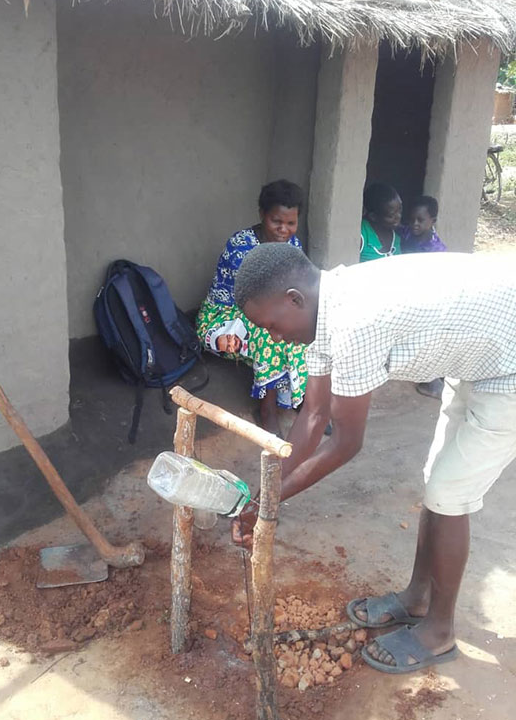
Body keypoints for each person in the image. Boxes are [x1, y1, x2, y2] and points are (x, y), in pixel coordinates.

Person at [231, 243, 516, 675]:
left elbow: (346, 442)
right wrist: (262, 497)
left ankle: (440, 633)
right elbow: (313, 415)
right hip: (482, 358)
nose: (273, 337)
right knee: (437, 483)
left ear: (294, 299)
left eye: (272, 325)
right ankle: (416, 598)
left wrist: (269, 506)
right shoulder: (326, 308)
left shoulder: (353, 323)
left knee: (449, 493)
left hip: (509, 367)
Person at [196, 180, 308, 436]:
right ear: (262, 215)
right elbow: (248, 303)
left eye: (291, 223)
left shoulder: (294, 247)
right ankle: (266, 409)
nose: (283, 229)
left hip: (270, 313)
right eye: (276, 221)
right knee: (272, 331)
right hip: (226, 318)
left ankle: (300, 396)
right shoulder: (240, 246)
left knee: (306, 326)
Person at [400, 195, 447, 400]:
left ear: (433, 221)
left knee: (427, 338)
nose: (415, 224)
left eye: (420, 220)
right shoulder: (408, 233)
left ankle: (433, 382)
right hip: (411, 292)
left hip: (429, 297)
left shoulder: (436, 250)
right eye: (412, 219)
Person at [360, 182, 403, 261]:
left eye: (400, 210)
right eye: (391, 215)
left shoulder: (396, 237)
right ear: (373, 216)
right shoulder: (362, 234)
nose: (398, 217)